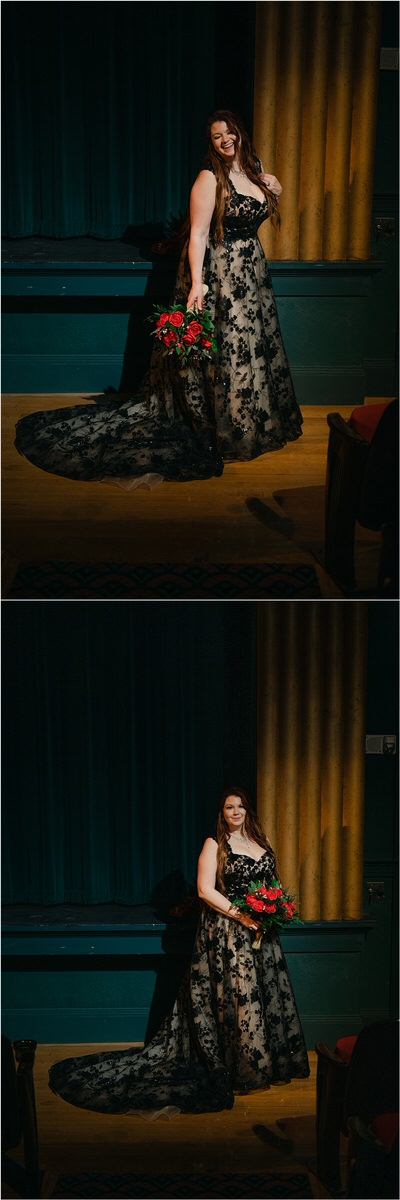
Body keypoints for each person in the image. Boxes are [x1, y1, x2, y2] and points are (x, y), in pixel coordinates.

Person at [15, 110, 302, 488]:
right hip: (222, 276)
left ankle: (249, 422)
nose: (225, 140)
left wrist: (274, 187)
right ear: (211, 144)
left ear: (240, 134)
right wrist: (198, 284)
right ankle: (226, 428)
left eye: (229, 132)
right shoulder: (208, 179)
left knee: (250, 348)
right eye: (217, 136)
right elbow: (198, 234)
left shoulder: (255, 171)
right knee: (228, 350)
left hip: (253, 275)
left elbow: (265, 203)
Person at [48, 788, 309, 1115]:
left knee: (264, 998)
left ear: (248, 810)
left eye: (241, 806)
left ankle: (268, 1065)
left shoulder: (262, 842)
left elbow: (272, 883)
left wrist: (273, 910)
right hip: (228, 935)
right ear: (222, 812)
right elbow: (204, 890)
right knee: (240, 1001)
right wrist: (242, 915)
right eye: (230, 807)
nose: (236, 811)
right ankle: (243, 1069)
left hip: (262, 935)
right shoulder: (215, 844)